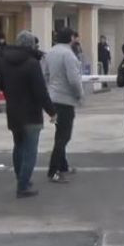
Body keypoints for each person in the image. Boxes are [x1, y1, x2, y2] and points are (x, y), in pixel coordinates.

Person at [0, 31, 56, 198]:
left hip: (13, 111)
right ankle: (23, 185)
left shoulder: (3, 61)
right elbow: (40, 91)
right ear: (31, 46)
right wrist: (51, 111)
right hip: (31, 113)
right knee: (30, 150)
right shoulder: (32, 63)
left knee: (18, 146)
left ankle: (21, 178)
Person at [42, 28, 83, 184]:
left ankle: (63, 166)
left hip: (53, 97)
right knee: (64, 136)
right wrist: (79, 95)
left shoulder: (50, 52)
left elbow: (45, 75)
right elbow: (74, 79)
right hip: (65, 100)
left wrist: (50, 89)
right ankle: (53, 170)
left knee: (60, 132)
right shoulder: (68, 55)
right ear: (71, 38)